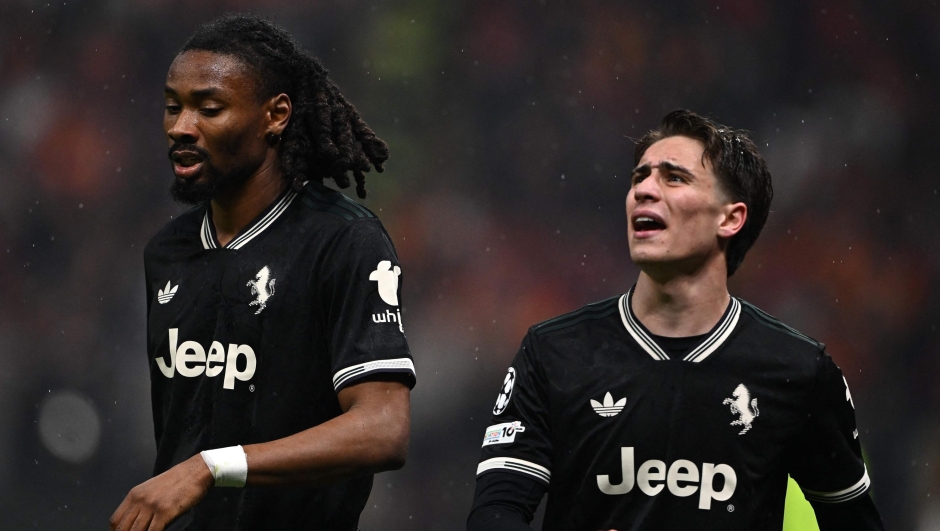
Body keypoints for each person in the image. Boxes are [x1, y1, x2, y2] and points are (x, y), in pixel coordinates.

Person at [467, 110, 884, 530]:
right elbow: (494, 514)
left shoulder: (798, 370)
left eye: (673, 178)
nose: (644, 190)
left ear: (730, 218)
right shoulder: (555, 352)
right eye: (639, 177)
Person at [110, 14, 415, 531]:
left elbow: (383, 429)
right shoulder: (168, 251)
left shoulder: (343, 240)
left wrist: (215, 467)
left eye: (209, 108)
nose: (182, 127)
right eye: (172, 107)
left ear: (275, 116)